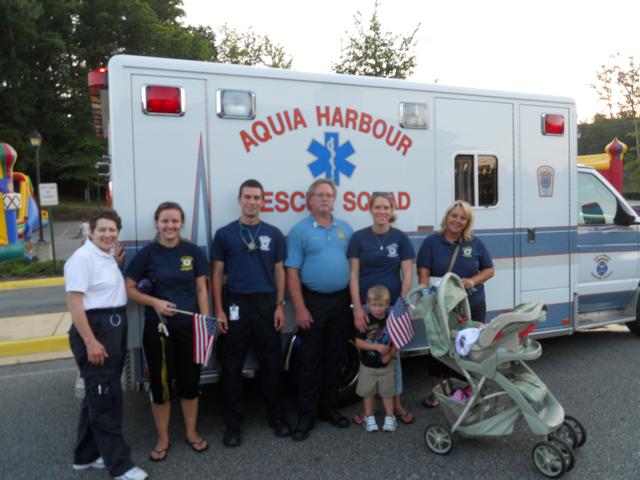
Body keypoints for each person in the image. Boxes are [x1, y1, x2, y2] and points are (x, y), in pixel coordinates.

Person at [65, 209, 148, 480]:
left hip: (111, 326)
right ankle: (120, 466)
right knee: (106, 399)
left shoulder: (106, 256)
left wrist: (117, 264)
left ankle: (85, 455)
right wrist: (90, 341)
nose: (108, 234)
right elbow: (75, 304)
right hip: (96, 329)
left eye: (112, 230)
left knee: (96, 394)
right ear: (90, 230)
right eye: (102, 230)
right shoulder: (82, 259)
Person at [125, 202, 210, 462]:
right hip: (158, 330)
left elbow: (201, 289)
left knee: (190, 383)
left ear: (181, 223)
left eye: (174, 221)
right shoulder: (147, 254)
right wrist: (154, 302)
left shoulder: (193, 251)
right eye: (165, 221)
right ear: (157, 223)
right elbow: (128, 288)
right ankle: (163, 438)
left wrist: (205, 322)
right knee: (161, 386)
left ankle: (192, 433)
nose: (170, 226)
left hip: (190, 329)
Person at [211, 179, 291, 447]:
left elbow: (279, 270)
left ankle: (276, 417)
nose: (252, 202)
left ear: (263, 201)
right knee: (231, 367)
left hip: (267, 304)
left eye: (257, 197)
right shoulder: (224, 234)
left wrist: (280, 305)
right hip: (235, 305)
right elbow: (217, 274)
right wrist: (219, 310)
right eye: (247, 197)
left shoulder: (274, 234)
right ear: (239, 200)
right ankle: (233, 425)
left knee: (271, 364)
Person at [286, 178, 353, 441]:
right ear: (310, 199)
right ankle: (306, 416)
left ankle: (328, 409)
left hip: (340, 302)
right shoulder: (300, 231)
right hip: (312, 303)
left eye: (329, 195)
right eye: (320, 195)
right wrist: (300, 309)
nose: (325, 199)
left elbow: (353, 266)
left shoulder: (345, 229)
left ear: (334, 199)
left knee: (335, 359)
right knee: (309, 362)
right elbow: (292, 273)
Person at [417, 200, 495, 407]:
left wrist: (472, 281)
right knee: (440, 348)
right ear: (447, 216)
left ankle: (469, 391)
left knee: (470, 349)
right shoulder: (431, 242)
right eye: (454, 215)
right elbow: (423, 273)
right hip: (442, 308)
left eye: (463, 217)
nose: (457, 220)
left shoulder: (475, 243)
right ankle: (438, 392)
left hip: (473, 305)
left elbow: (489, 270)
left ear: (467, 222)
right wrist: (427, 298)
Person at [348, 191, 415, 426]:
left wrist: (401, 302)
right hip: (367, 307)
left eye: (386, 207)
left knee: (392, 356)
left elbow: (407, 273)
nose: (382, 211)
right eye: (378, 207)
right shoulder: (359, 238)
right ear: (370, 208)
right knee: (367, 357)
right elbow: (354, 275)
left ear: (392, 210)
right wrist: (358, 308)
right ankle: (368, 410)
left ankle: (396, 405)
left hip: (392, 306)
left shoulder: (400, 238)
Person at [354, 285, 397, 433]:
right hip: (368, 366)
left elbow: (397, 341)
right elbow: (358, 342)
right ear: (367, 303)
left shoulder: (392, 320)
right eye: (373, 305)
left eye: (381, 305)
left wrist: (390, 355)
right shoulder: (365, 320)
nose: (377, 309)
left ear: (387, 303)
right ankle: (369, 416)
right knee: (368, 393)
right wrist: (376, 348)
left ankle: (390, 416)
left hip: (387, 366)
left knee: (387, 393)